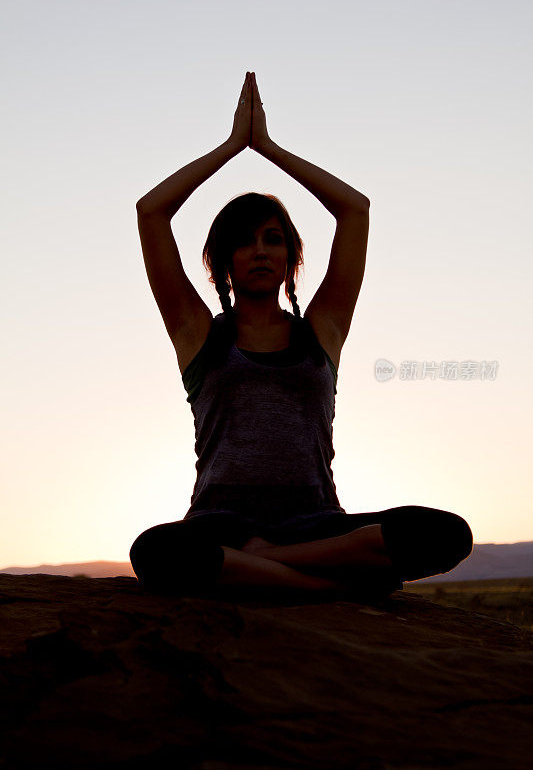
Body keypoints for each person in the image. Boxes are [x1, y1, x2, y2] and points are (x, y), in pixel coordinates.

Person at [129, 71, 473, 601]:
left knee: (446, 533)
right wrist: (231, 147)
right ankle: (325, 586)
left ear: (291, 258)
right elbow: (151, 212)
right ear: (224, 265)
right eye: (244, 243)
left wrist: (267, 147)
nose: (260, 251)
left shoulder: (322, 331)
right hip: (221, 522)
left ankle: (267, 568)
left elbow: (354, 209)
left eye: (273, 239)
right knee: (155, 552)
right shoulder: (198, 334)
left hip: (314, 523)